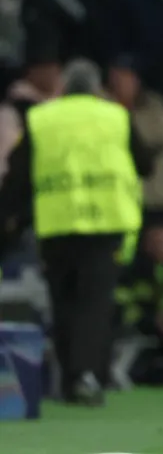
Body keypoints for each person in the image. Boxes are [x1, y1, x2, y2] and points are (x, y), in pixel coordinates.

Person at [0, 58, 153, 405]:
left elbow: (18, 175)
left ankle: (70, 381)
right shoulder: (115, 117)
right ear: (97, 87)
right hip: (104, 224)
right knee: (94, 305)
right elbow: (144, 163)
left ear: (63, 88)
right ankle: (87, 376)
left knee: (63, 301)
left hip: (57, 225)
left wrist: (8, 215)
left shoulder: (41, 119)